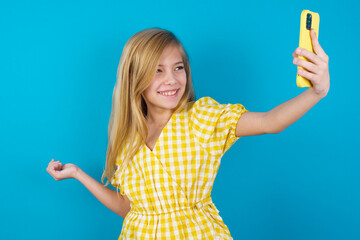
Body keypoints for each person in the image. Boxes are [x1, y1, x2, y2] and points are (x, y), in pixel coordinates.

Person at [46, 27, 330, 239]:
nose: (171, 79)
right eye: (157, 70)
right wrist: (78, 174)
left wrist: (316, 92)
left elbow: (270, 122)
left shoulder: (201, 119)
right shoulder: (127, 140)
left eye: (178, 67)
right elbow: (131, 209)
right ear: (135, 78)